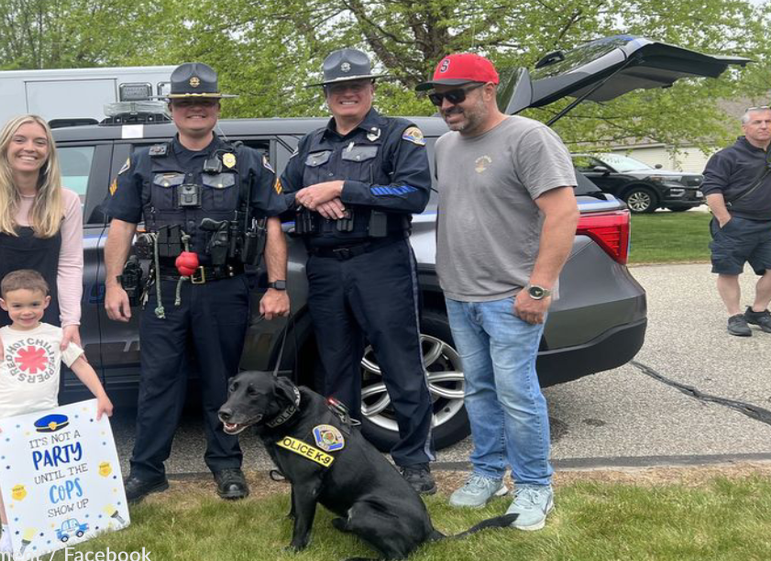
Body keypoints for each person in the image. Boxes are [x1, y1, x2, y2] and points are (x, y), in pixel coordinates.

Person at [103, 62, 289, 503]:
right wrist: (114, 282)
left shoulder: (246, 161)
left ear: (217, 108)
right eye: (185, 103)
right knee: (158, 382)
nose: (195, 110)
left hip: (225, 288)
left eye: (204, 102)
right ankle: (147, 471)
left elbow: (274, 225)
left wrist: (277, 285)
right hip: (165, 291)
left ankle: (226, 466)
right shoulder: (144, 163)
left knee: (222, 382)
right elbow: (120, 226)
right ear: (171, 109)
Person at [419, 53, 579, 530]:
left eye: (456, 94)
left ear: (489, 90)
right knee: (481, 390)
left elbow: (563, 214)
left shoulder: (529, 137)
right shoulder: (445, 146)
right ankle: (489, 473)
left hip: (511, 295)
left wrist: (539, 286)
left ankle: (535, 486)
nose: (446, 104)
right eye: (438, 96)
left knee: (517, 392)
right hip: (459, 292)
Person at [276, 48, 436, 494]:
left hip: (379, 261)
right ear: (327, 94)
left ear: (371, 89)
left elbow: (413, 194)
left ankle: (415, 461)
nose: (348, 93)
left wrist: (344, 187)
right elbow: (277, 199)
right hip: (325, 266)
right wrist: (311, 195)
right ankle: (349, 458)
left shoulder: (398, 134)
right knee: (336, 368)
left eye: (356, 86)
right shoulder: (311, 144)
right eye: (338, 88)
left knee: (399, 361)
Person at [0, 114, 84, 546]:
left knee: (39, 411)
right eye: (21, 140)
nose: (30, 148)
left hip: (41, 325)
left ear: (49, 152)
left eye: (40, 142)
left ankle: (33, 499)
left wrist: (70, 322)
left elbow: (69, 266)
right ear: (5, 145)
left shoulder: (66, 200)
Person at [0, 269, 113, 555]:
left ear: (47, 302)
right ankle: (9, 530)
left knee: (45, 476)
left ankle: (47, 522)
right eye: (18, 306)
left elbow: (81, 365)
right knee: (8, 480)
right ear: (3, 305)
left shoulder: (56, 336)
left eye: (34, 305)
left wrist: (101, 395)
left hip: (48, 424)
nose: (27, 312)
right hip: (6, 426)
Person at [702, 106, 771, 336]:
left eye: (768, 121)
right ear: (745, 127)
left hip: (768, 224)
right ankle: (735, 315)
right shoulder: (727, 156)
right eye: (757, 122)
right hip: (736, 223)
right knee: (730, 271)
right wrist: (725, 220)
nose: (764, 126)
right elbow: (711, 189)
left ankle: (759, 311)